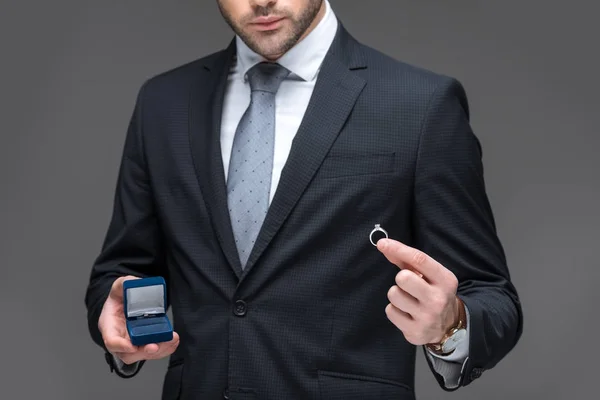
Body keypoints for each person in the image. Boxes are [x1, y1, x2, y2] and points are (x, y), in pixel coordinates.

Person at [84, 0, 523, 399]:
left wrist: (450, 325)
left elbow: (490, 295)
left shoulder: (420, 103)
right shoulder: (163, 103)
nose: (262, 1)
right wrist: (117, 314)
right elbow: (122, 270)